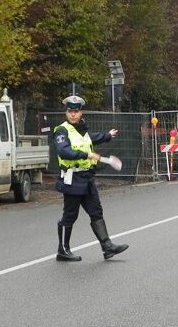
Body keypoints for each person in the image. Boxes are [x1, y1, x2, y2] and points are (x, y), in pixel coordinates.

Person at [54, 95, 128, 262]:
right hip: (72, 178)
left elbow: (90, 138)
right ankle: (63, 251)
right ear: (66, 112)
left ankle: (107, 247)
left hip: (87, 178)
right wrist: (86, 154)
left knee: (96, 211)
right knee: (70, 215)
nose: (73, 114)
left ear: (81, 112)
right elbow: (63, 151)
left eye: (76, 111)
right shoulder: (61, 130)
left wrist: (107, 136)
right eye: (70, 111)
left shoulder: (82, 129)